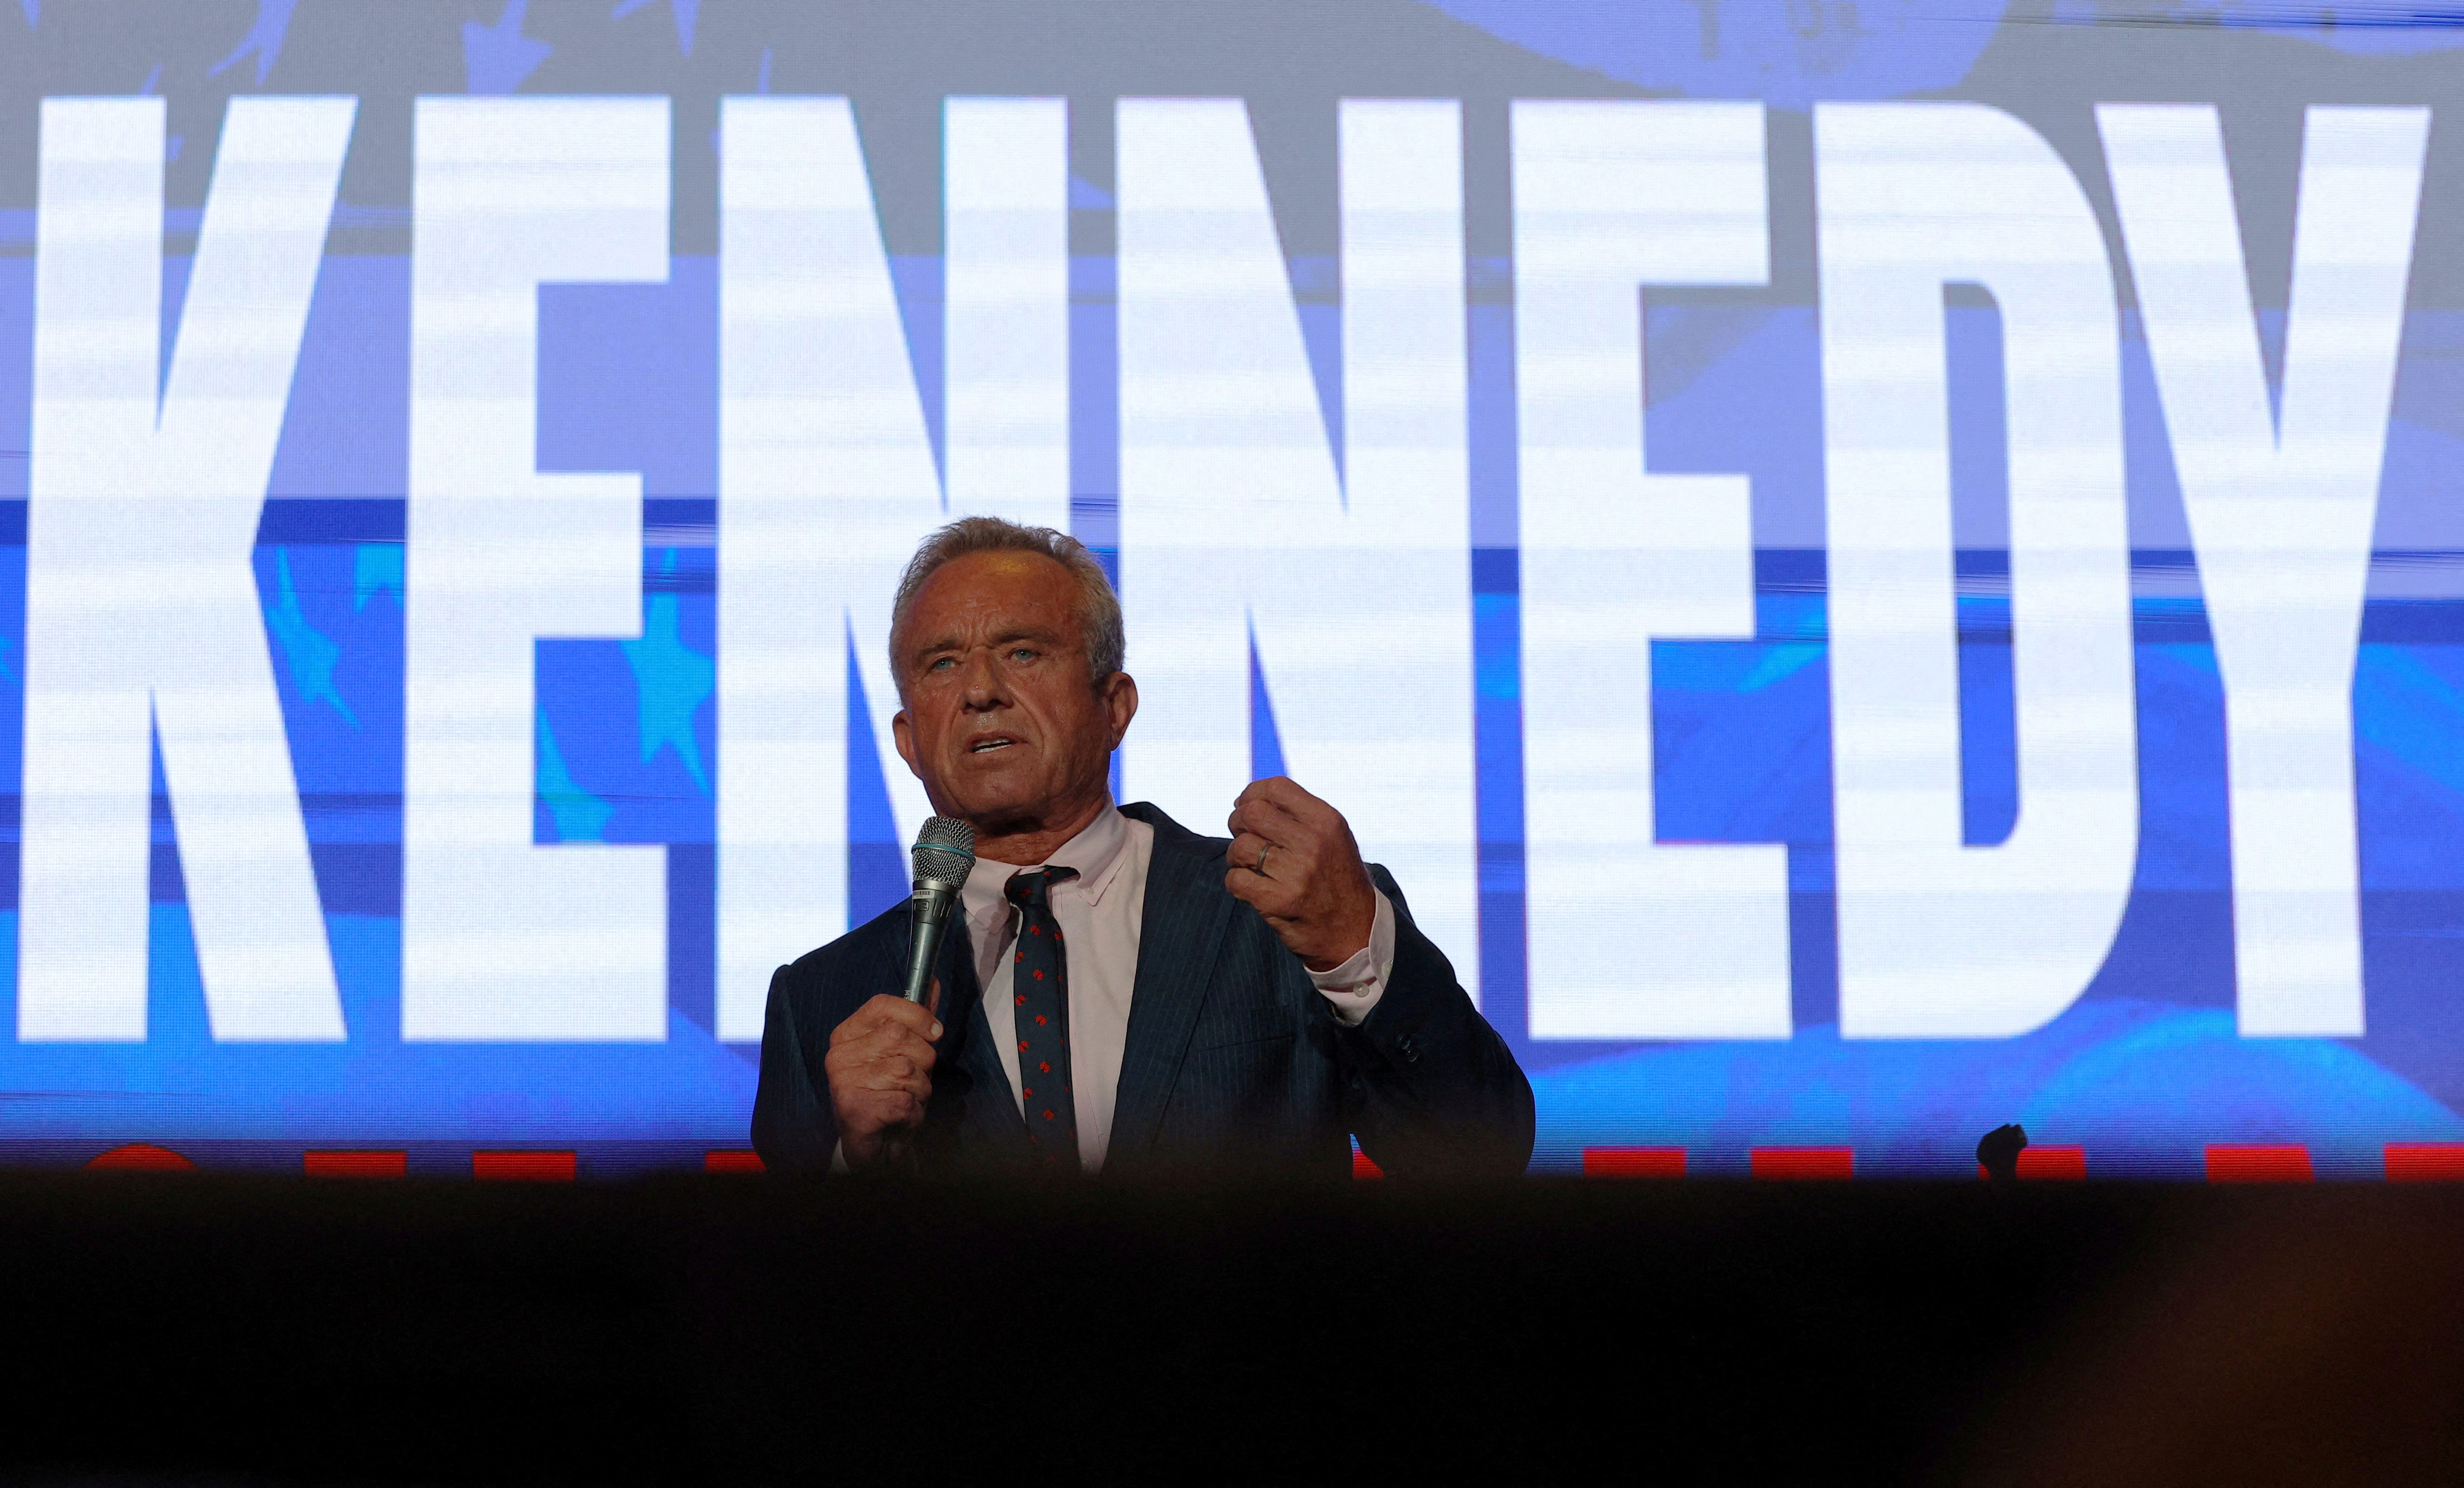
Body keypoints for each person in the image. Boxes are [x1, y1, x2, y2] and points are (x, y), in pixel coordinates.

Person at [751, 517, 1533, 1177]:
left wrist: (1357, 954)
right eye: (942, 662)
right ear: (907, 740)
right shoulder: (821, 1000)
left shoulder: (1280, 919)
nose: (980, 688)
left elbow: (1483, 1157)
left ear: (1114, 706)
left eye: (1023, 651)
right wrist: (850, 1164)